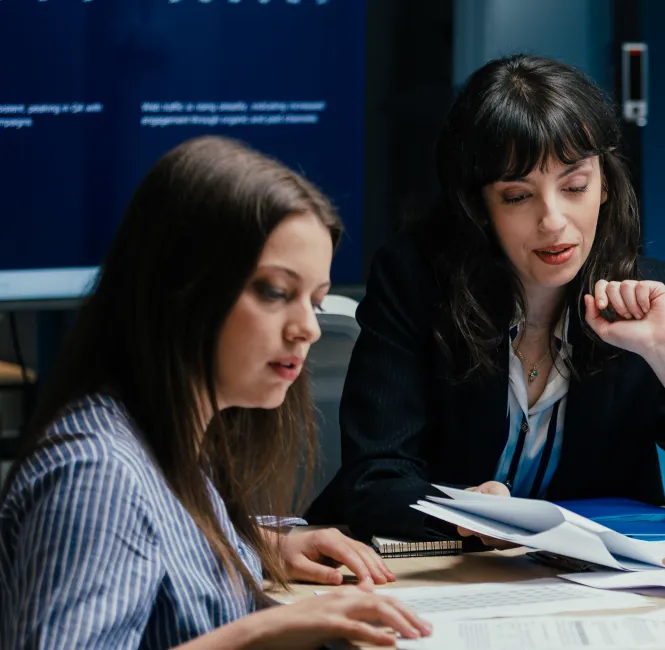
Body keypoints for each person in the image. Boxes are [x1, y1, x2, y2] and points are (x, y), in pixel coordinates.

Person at [307, 55, 665, 544]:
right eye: (518, 196)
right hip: (445, 578)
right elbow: (372, 481)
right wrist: (464, 514)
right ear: (478, 206)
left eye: (575, 186)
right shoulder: (415, 283)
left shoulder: (646, 296)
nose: (554, 220)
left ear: (603, 185)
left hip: (587, 593)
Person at [0, 136, 430, 648]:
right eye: (275, 292)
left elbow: (159, 540)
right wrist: (264, 629)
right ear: (181, 288)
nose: (307, 329)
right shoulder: (99, 474)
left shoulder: (171, 438)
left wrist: (267, 541)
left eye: (314, 301)